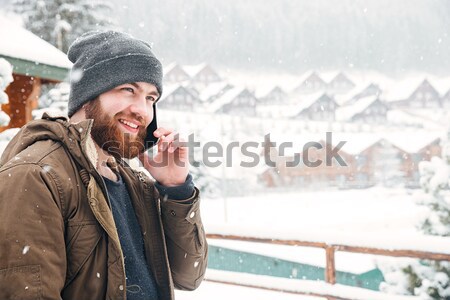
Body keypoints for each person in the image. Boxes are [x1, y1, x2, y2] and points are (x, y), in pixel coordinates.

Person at [0, 30, 207, 300]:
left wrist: (176, 188)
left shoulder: (134, 184)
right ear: (89, 94)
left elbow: (188, 276)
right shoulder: (35, 175)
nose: (142, 110)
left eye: (150, 98)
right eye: (128, 90)